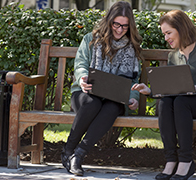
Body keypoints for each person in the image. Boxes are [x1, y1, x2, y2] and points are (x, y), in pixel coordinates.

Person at [132, 10, 196, 180]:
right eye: (164, 34)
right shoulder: (173, 55)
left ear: (181, 29)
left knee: (180, 102)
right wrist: (150, 91)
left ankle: (186, 162)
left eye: (168, 33)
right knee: (166, 102)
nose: (166, 38)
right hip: (186, 103)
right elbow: (173, 89)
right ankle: (171, 160)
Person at [61, 1, 142, 176]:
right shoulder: (91, 39)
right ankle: (68, 150)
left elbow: (134, 79)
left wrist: (134, 96)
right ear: (109, 20)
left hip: (114, 98)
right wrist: (83, 77)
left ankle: (78, 155)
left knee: (113, 106)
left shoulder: (132, 47)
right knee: (93, 103)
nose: (120, 30)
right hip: (85, 92)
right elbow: (81, 63)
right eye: (116, 24)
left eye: (125, 26)